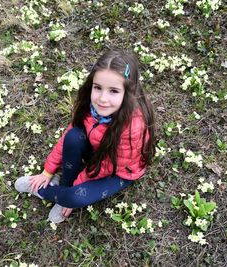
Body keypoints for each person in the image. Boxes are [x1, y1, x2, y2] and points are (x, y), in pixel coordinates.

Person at [15, 50, 155, 223]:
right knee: (74, 136)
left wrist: (77, 187)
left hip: (118, 172)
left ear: (128, 93)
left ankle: (43, 190)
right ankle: (61, 186)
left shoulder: (132, 127)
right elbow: (69, 133)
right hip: (97, 151)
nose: (103, 99)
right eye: (98, 88)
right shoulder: (90, 107)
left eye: (113, 91)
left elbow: (106, 166)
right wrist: (47, 171)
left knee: (76, 197)